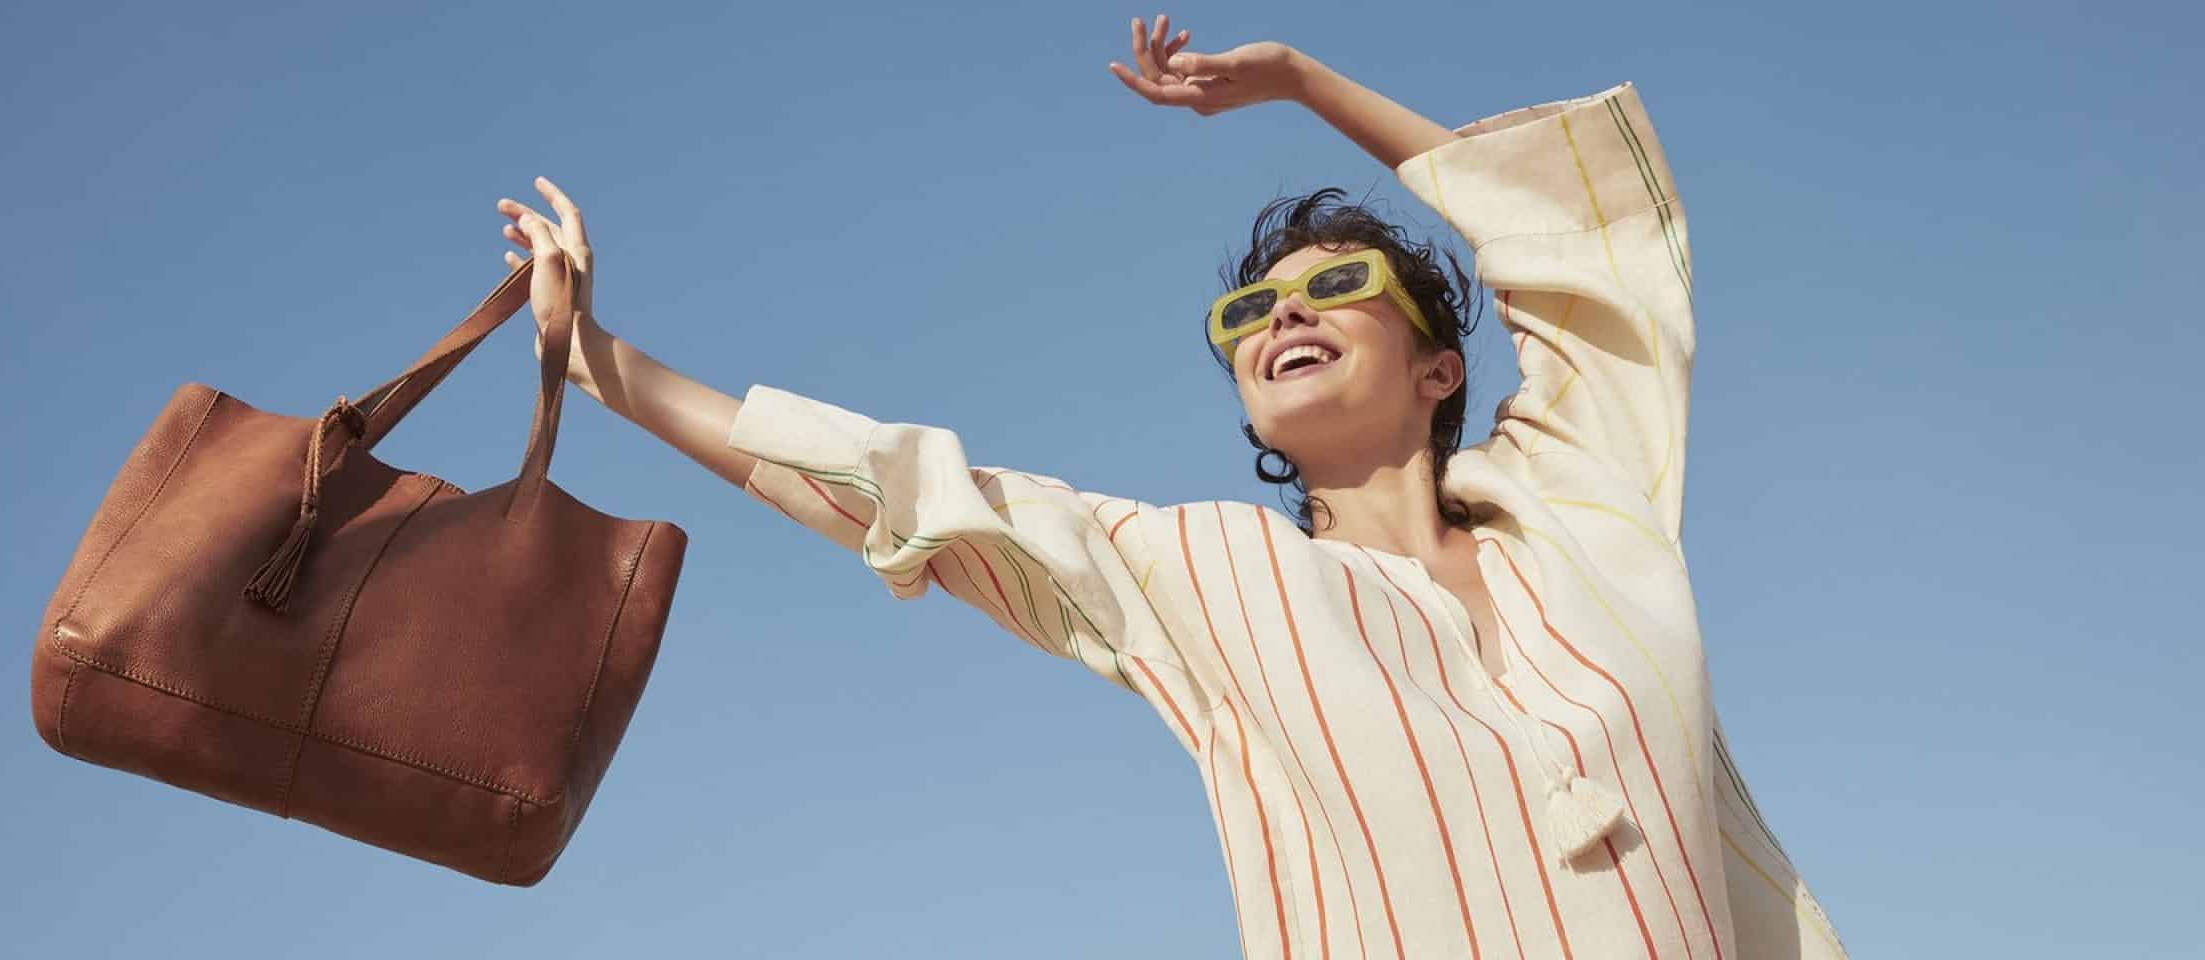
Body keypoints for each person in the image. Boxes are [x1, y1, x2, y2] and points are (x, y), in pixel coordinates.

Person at [495, 15, 1844, 959]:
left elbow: (1581, 259)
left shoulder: (1576, 509)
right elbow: (905, 490)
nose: (1280, 314)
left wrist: (1307, 83)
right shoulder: (1207, 577)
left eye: (1335, 286)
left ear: (1443, 373)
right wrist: (603, 363)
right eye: (1250, 310)